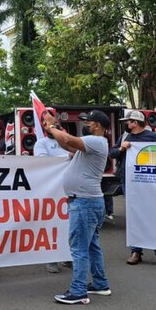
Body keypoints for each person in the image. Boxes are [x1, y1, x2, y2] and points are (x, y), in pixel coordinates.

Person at [43, 110, 111, 305]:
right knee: (91, 246)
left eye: (88, 122)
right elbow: (66, 143)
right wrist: (55, 129)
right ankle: (100, 284)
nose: (85, 125)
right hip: (88, 202)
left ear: (97, 125)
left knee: (79, 249)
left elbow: (67, 139)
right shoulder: (93, 143)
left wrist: (52, 127)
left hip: (84, 202)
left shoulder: (96, 141)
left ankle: (78, 291)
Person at [109, 110, 156, 265]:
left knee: (152, 213)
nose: (126, 124)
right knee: (135, 213)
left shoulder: (152, 138)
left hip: (149, 181)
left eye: (128, 122)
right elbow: (112, 153)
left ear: (135, 123)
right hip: (130, 181)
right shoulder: (125, 137)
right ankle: (136, 251)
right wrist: (121, 148)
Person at [33, 119, 69, 274]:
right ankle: (51, 259)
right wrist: (66, 158)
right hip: (51, 190)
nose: (51, 126)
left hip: (68, 188)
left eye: (54, 123)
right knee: (52, 225)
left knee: (68, 224)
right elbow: (45, 162)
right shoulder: (41, 143)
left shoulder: (67, 140)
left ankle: (67, 256)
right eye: (48, 124)